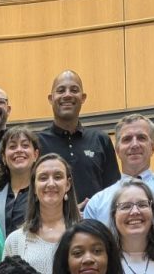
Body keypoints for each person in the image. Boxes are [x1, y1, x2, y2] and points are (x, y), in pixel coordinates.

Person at [84, 114, 154, 252]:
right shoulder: (96, 203)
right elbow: (95, 250)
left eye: (141, 138)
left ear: (153, 147)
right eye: (127, 139)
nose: (134, 144)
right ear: (117, 150)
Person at [3, 152, 81, 274]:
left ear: (68, 184)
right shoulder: (15, 240)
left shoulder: (84, 236)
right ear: (33, 186)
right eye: (43, 178)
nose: (51, 183)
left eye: (58, 177)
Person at [37, 71, 119, 207]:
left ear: (83, 98)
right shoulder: (37, 143)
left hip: (94, 219)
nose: (67, 95)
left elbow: (113, 191)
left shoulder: (101, 140)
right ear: (51, 99)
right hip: (51, 219)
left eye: (74, 90)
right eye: (61, 90)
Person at [0, 125, 41, 236]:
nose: (19, 150)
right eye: (12, 146)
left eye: (25, 145)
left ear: (35, 155)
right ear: (4, 157)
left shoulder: (45, 195)